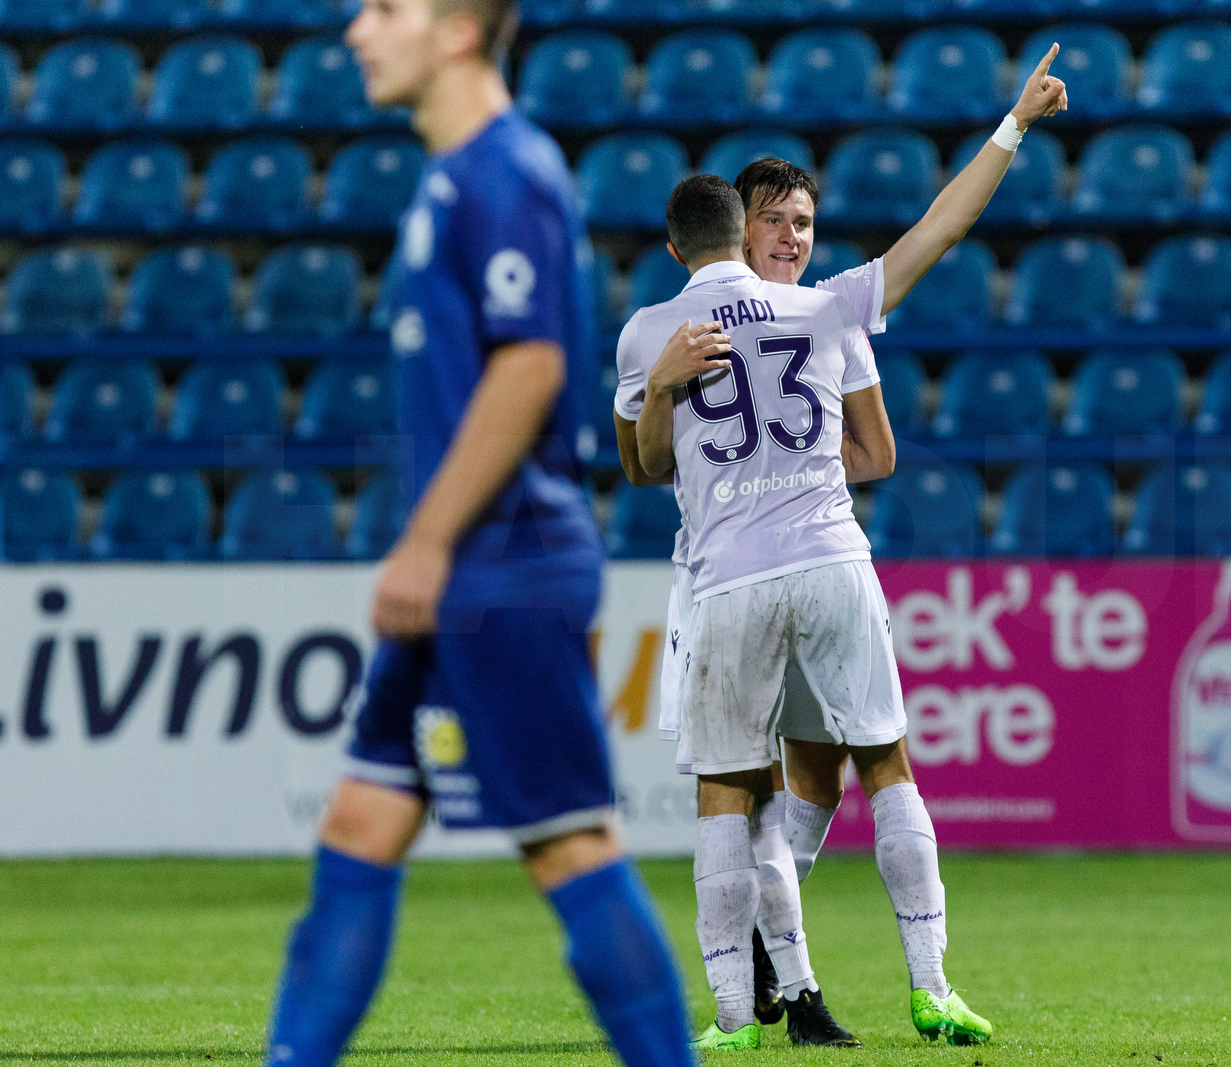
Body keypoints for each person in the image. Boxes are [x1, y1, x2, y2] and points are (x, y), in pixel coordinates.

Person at [261, 3, 693, 1066]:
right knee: (362, 820)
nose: (358, 29)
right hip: (472, 561)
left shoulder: (508, 172)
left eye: (387, 9)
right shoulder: (454, 176)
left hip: (503, 561)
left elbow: (530, 367)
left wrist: (425, 541)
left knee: (570, 839)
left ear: (456, 32)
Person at [614, 49, 1068, 1046]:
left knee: (737, 789)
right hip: (829, 555)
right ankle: (916, 982)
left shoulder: (654, 330)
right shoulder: (828, 310)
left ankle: (738, 1010)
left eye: (801, 223)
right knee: (882, 766)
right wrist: (1014, 125)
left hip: (729, 573)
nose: (790, 236)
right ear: (743, 226)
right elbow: (939, 232)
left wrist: (671, 399)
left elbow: (642, 467)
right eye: (773, 220)